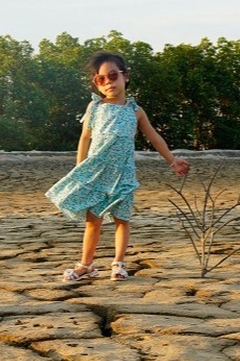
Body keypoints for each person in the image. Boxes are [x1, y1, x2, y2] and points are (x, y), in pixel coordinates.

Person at [45, 51, 189, 282]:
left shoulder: (135, 111)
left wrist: (172, 160)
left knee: (122, 219)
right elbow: (85, 138)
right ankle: (86, 265)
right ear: (96, 84)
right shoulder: (95, 108)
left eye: (113, 76)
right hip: (98, 173)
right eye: (100, 79)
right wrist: (80, 170)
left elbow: (154, 137)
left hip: (123, 173)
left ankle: (118, 264)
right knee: (93, 220)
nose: (108, 83)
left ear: (126, 76)